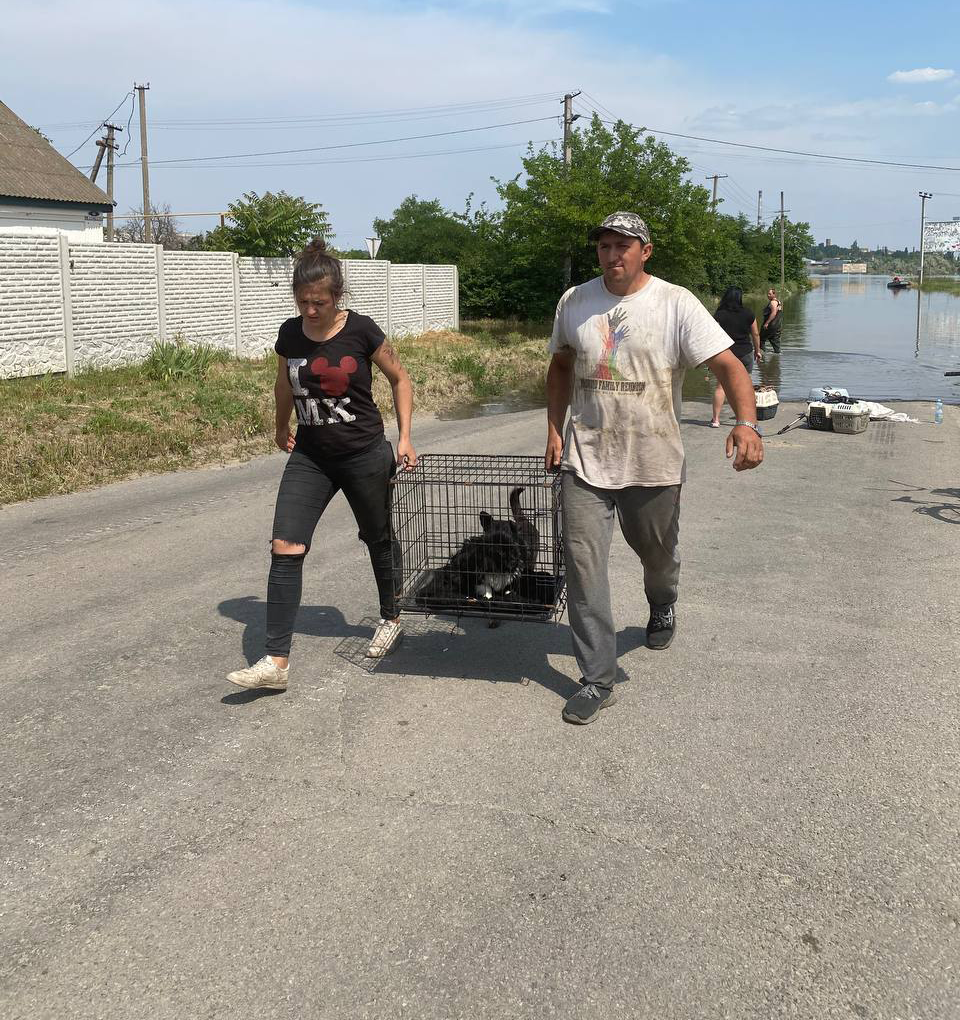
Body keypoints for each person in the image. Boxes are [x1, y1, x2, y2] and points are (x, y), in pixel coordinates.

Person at [545, 212, 763, 726]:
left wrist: (747, 423)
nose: (612, 255)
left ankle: (662, 602)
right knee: (582, 570)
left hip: (653, 460)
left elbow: (729, 365)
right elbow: (559, 366)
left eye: (624, 245)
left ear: (646, 250)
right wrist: (555, 430)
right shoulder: (575, 302)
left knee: (657, 559)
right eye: (604, 246)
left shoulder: (675, 303)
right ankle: (597, 678)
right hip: (586, 459)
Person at [226, 239, 417, 692]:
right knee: (284, 546)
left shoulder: (362, 330)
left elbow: (400, 378)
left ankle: (390, 616)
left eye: (320, 302)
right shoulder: (289, 334)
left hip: (365, 453)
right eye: (303, 301)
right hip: (310, 455)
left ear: (338, 297)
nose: (311, 310)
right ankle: (275, 662)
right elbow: (282, 386)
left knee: (377, 537)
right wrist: (279, 426)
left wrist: (406, 437)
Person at [710, 286, 761, 428]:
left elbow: (712, 334)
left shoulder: (720, 314)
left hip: (725, 353)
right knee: (745, 386)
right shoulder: (748, 314)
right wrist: (758, 350)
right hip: (745, 352)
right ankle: (746, 419)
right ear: (740, 298)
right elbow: (755, 334)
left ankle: (715, 420)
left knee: (721, 386)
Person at [759, 287, 782, 354]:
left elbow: (774, 313)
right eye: (768, 294)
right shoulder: (778, 302)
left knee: (761, 339)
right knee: (775, 341)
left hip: (770, 325)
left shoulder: (773, 303)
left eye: (770, 294)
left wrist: (766, 323)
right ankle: (777, 356)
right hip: (777, 326)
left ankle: (762, 355)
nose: (768, 295)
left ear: (774, 294)